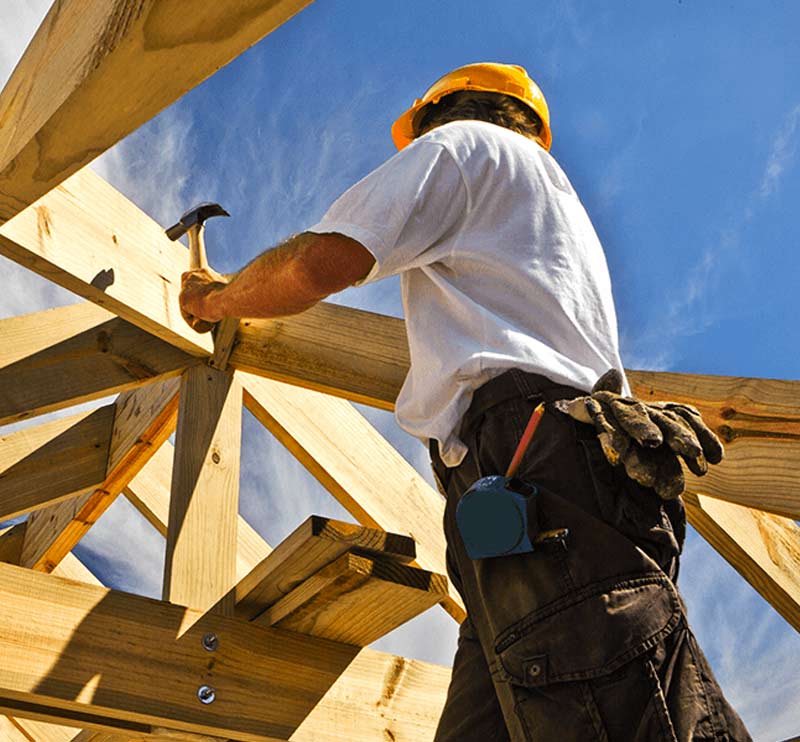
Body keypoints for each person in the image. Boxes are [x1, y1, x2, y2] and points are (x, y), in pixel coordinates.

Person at [180, 62, 750, 741]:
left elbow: (318, 264)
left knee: (611, 711)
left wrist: (214, 299)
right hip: (540, 491)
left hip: (534, 472)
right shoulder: (544, 204)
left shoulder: (461, 149)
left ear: (437, 116)